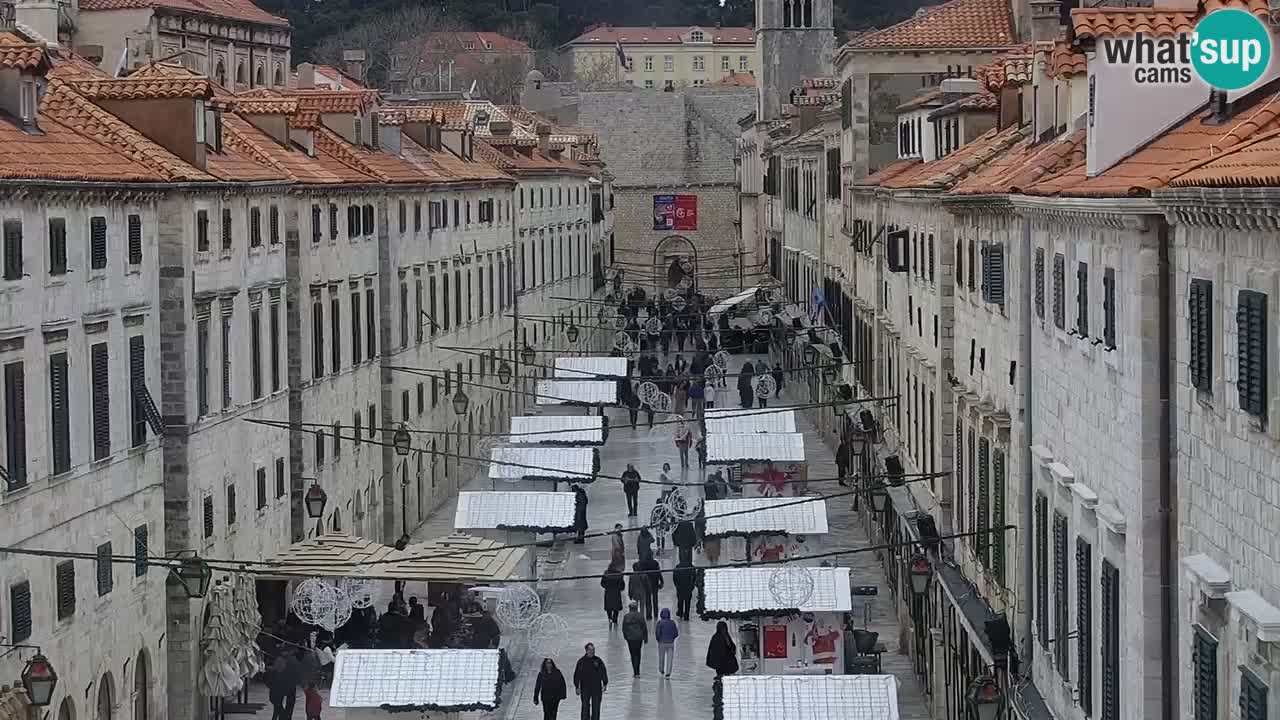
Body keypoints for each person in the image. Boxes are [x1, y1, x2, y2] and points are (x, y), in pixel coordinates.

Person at [573, 643, 608, 720]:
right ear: (586, 650)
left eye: (593, 650)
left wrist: (605, 683)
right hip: (585, 688)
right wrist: (577, 686)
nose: (592, 651)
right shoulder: (581, 662)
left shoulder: (598, 661)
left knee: (596, 707)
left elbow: (603, 672)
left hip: (596, 688)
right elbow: (577, 675)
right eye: (590, 650)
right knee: (585, 706)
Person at [268, 650, 302, 720]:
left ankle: (283, 716)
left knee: (277, 702)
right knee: (288, 704)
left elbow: (278, 669)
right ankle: (285, 717)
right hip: (290, 684)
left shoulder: (282, 659)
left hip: (282, 684)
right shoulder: (293, 659)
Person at [621, 601, 648, 677]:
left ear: (630, 608)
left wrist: (626, 637)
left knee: (632, 654)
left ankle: (635, 671)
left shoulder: (626, 616)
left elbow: (624, 628)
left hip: (630, 638)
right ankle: (638, 671)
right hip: (639, 637)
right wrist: (645, 638)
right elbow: (644, 627)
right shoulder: (640, 616)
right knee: (638, 653)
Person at [635, 551, 663, 620]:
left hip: (647, 584)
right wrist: (661, 581)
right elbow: (659, 572)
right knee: (655, 599)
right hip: (655, 583)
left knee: (648, 600)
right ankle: (656, 614)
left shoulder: (644, 564)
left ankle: (648, 615)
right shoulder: (655, 563)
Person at [654, 608, 679, 678]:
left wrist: (658, 640)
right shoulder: (672, 622)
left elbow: (657, 633)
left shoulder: (659, 623)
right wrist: (672, 638)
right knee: (670, 658)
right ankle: (668, 672)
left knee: (661, 657)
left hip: (662, 642)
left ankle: (661, 669)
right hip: (670, 642)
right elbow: (676, 633)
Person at [601, 561, 625, 628]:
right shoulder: (619, 575)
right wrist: (619, 588)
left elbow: (602, 583)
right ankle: (615, 619)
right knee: (616, 607)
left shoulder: (606, 573)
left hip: (608, 592)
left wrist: (607, 587)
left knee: (609, 607)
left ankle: (610, 618)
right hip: (616, 593)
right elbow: (622, 585)